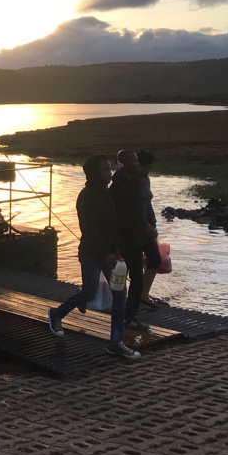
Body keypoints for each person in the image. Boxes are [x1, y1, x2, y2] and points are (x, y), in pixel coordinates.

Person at [47, 155, 138, 360]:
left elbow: (116, 225)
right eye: (105, 169)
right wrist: (105, 253)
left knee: (120, 294)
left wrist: (118, 252)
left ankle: (116, 342)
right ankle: (56, 314)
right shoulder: (86, 197)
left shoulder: (108, 193)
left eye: (110, 168)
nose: (110, 173)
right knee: (89, 291)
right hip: (91, 253)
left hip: (113, 255)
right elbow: (89, 230)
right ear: (94, 173)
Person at [110, 150, 152, 333]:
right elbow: (127, 215)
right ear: (122, 164)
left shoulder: (133, 182)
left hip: (134, 239)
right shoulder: (118, 187)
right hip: (124, 240)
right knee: (128, 280)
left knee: (135, 279)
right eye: (133, 161)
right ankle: (126, 318)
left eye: (137, 161)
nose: (137, 164)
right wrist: (146, 228)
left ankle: (128, 316)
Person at [137, 150, 162, 308]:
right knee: (147, 259)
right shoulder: (131, 182)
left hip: (147, 225)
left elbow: (148, 204)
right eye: (145, 167)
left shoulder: (145, 179)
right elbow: (134, 209)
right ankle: (140, 294)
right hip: (138, 227)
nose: (148, 170)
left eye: (150, 167)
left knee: (154, 258)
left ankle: (142, 293)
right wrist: (146, 225)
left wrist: (152, 223)